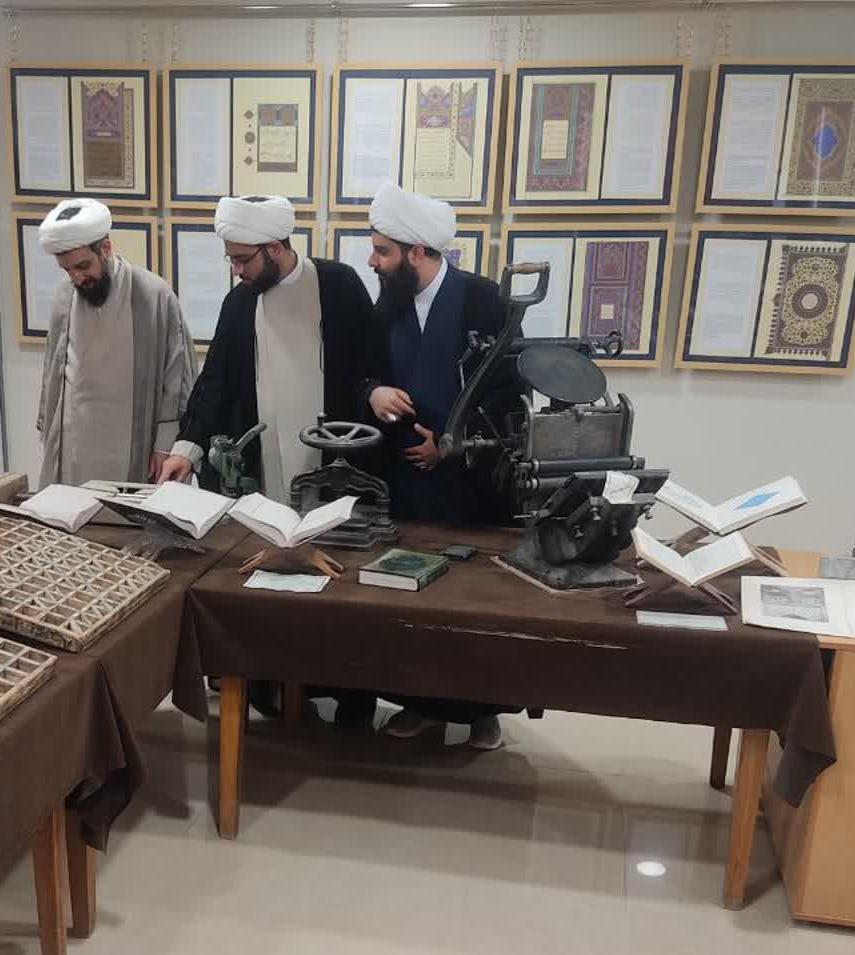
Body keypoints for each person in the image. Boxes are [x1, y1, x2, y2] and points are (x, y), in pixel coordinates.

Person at [354, 181, 526, 750]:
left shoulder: (485, 300)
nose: (373, 262)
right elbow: (359, 371)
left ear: (417, 252)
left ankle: (481, 713)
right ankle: (420, 705)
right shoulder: (388, 303)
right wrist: (373, 391)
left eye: (382, 251)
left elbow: (511, 392)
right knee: (410, 600)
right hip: (407, 485)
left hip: (473, 487)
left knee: (474, 605)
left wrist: (455, 442)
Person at [161, 194, 373, 499]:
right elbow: (215, 382)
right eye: (231, 259)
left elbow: (370, 364)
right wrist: (185, 451)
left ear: (275, 248)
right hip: (263, 462)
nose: (236, 270)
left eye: (243, 260)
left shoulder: (339, 284)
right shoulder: (239, 302)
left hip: (335, 457)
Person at [35, 197, 196, 486]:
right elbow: (52, 372)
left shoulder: (153, 294)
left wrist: (165, 444)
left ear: (106, 249)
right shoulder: (64, 296)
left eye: (83, 266)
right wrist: (48, 435)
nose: (77, 278)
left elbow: (177, 377)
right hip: (76, 445)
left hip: (134, 444)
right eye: (68, 270)